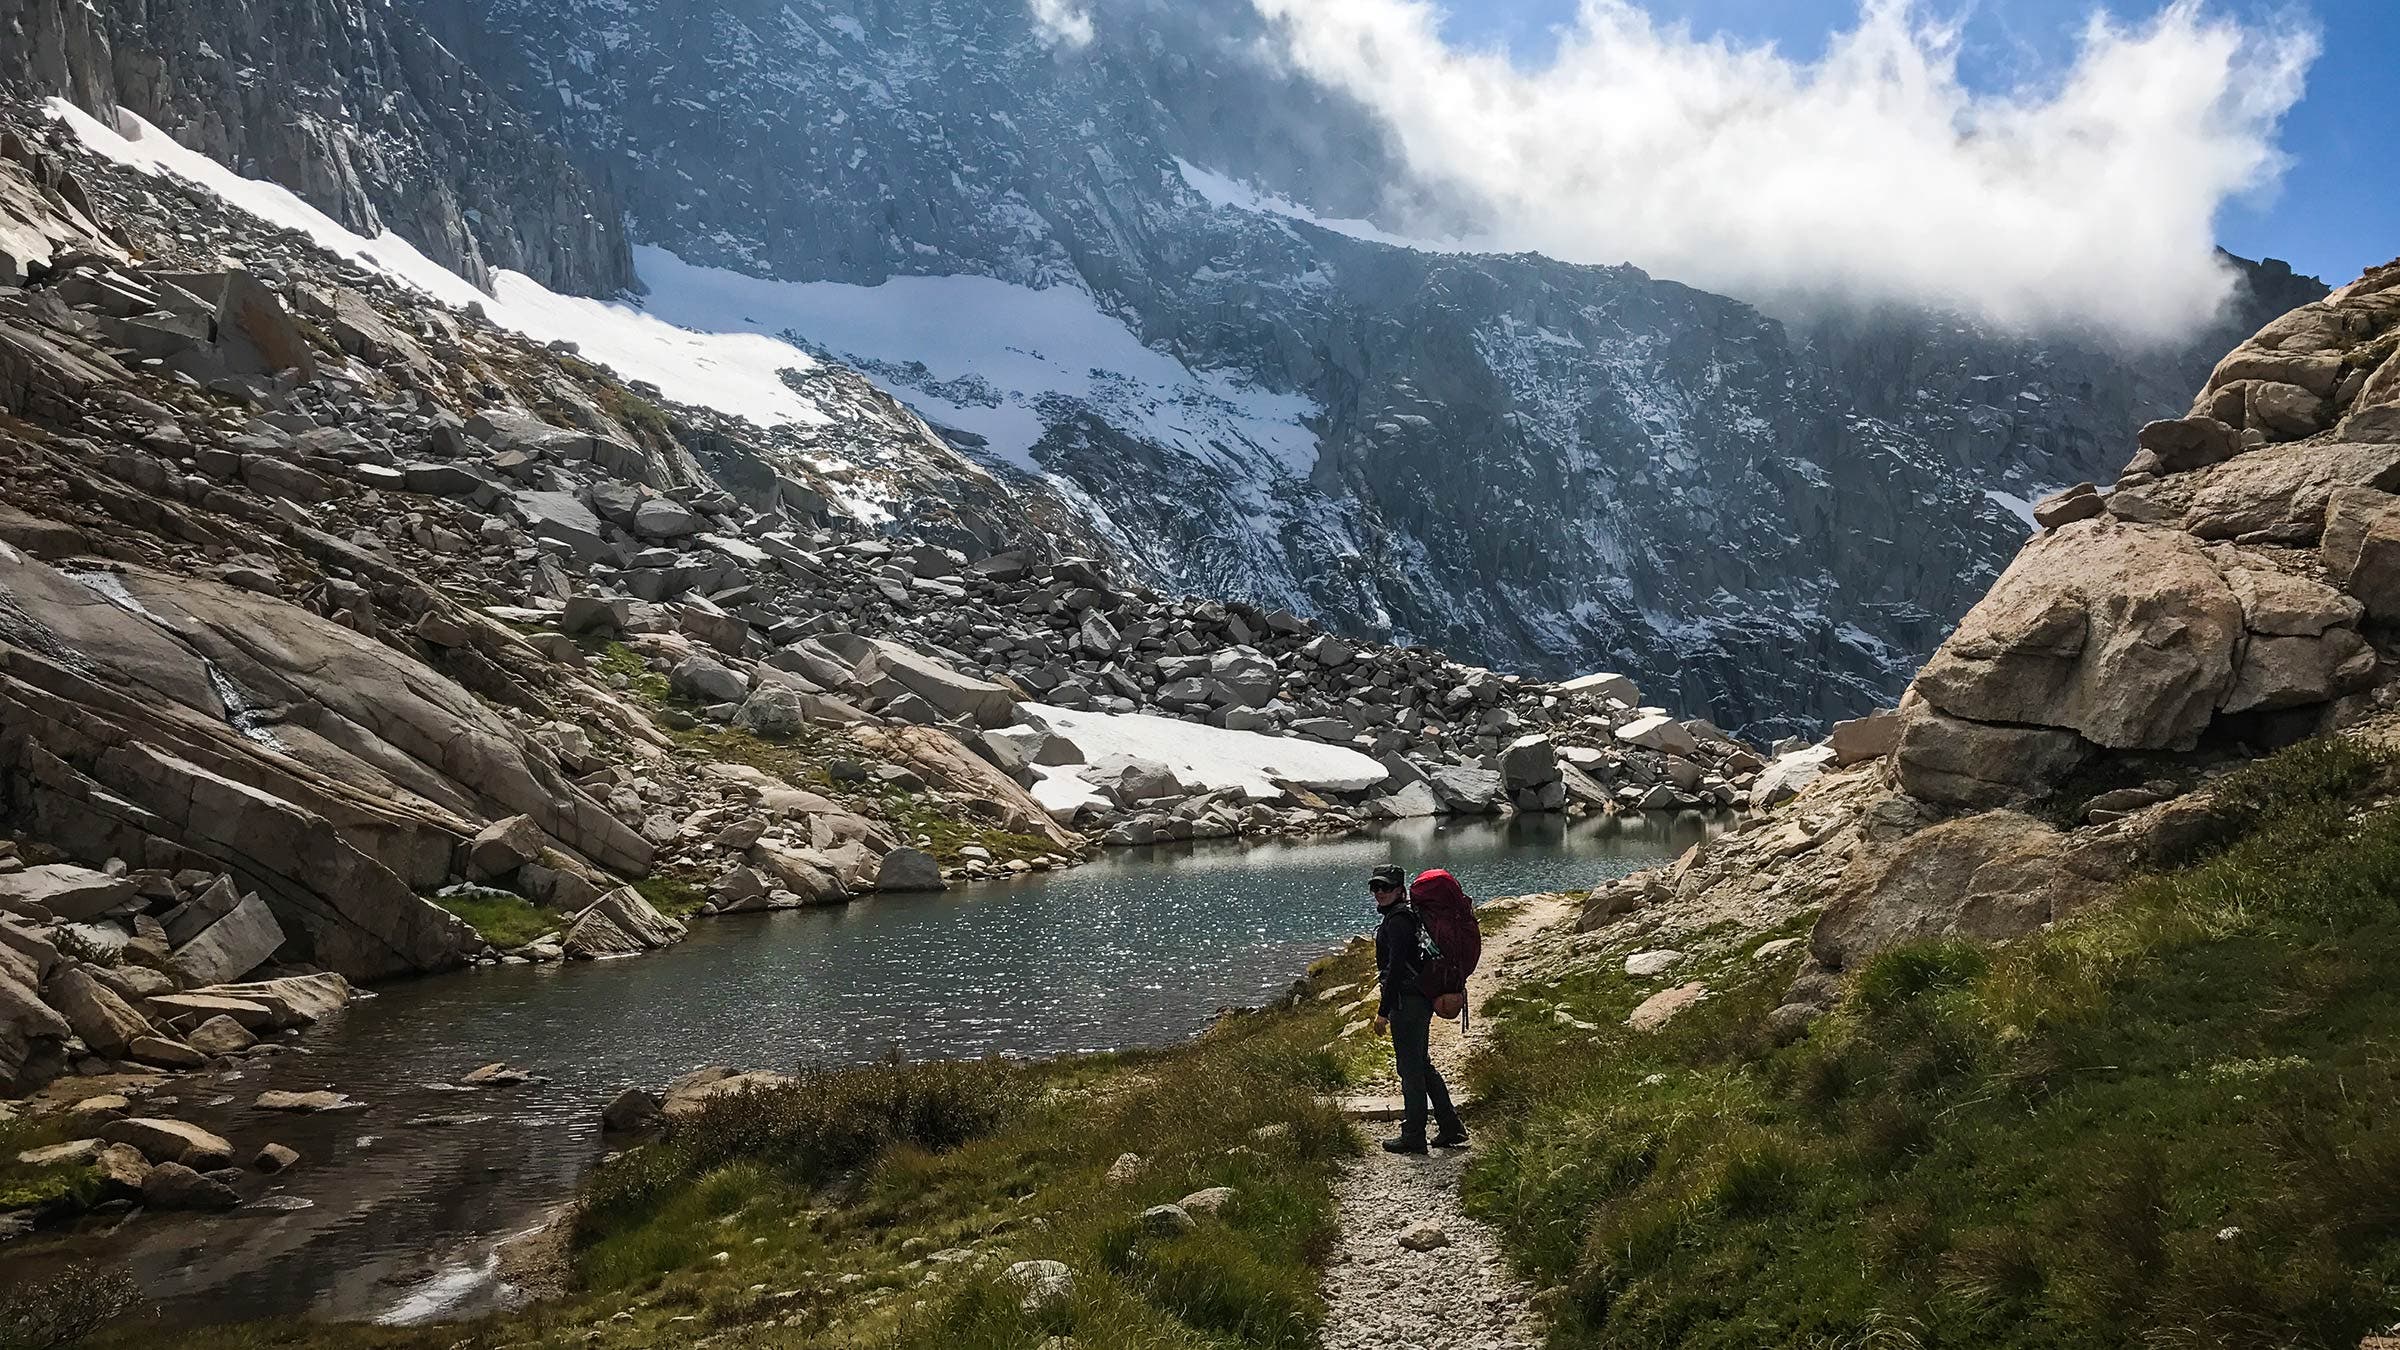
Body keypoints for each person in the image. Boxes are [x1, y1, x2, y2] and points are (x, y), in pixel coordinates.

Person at [1369, 864, 1468, 1154]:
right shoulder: (1404, 916)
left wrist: (1383, 1012)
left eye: (1386, 887)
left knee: (1410, 1070)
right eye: (1375, 887)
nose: (1380, 893)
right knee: (1421, 1065)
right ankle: (1450, 1127)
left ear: (1401, 890)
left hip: (1407, 1002)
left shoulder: (1398, 920)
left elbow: (1397, 967)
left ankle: (1413, 1134)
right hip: (1416, 998)